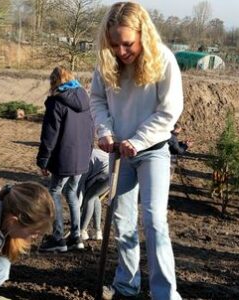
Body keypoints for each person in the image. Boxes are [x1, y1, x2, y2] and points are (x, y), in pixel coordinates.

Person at [90, 2, 183, 299]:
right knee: (122, 220)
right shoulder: (107, 62)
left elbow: (169, 111)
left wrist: (139, 140)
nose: (121, 51)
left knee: (155, 220)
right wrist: (105, 132)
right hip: (119, 152)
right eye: (114, 43)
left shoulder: (164, 60)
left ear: (144, 34)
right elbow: (97, 100)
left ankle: (165, 294)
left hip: (152, 150)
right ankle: (126, 286)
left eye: (127, 43)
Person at [36, 66, 93, 252]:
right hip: (83, 157)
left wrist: (43, 160)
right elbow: (91, 128)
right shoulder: (85, 99)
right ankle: (76, 237)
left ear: (54, 81)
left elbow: (49, 135)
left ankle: (58, 238)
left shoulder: (56, 102)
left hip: (64, 157)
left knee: (53, 191)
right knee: (71, 192)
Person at [78, 148, 109, 241]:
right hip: (112, 171)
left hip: (105, 172)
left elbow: (81, 185)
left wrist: (79, 206)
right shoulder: (89, 151)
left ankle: (82, 231)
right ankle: (98, 232)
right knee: (94, 197)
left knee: (89, 198)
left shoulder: (82, 159)